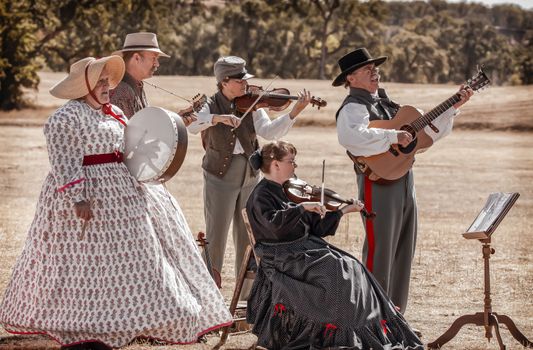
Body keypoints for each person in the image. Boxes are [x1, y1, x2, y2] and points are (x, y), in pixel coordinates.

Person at [0, 56, 232, 349]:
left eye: (107, 80)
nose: (107, 86)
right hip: (88, 199)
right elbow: (63, 162)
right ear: (83, 85)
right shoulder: (65, 118)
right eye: (99, 81)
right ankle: (81, 323)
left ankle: (139, 318)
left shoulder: (113, 114)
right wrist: (78, 197)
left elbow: (131, 147)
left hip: (123, 197)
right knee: (85, 264)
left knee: (138, 258)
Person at [244, 140, 424, 349]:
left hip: (305, 248)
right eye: (291, 162)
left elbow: (316, 228)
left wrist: (342, 211)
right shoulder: (260, 195)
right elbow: (273, 226)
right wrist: (302, 209)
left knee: (352, 266)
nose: (295, 166)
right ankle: (334, 333)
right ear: (275, 165)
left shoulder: (289, 189)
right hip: (281, 255)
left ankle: (366, 324)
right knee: (335, 272)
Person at [334, 48, 473, 313]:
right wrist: (391, 137)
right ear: (350, 78)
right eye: (367, 69)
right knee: (381, 251)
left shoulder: (387, 104)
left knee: (403, 249)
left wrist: (453, 107)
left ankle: (396, 317)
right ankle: (372, 318)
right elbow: (352, 140)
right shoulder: (353, 107)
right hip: (378, 183)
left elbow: (427, 134)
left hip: (403, 178)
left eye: (375, 68)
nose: (375, 72)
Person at [187, 56, 312, 280]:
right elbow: (194, 125)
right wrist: (218, 118)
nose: (245, 84)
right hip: (219, 175)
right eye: (239, 80)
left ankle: (246, 294)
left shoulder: (253, 103)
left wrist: (294, 113)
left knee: (249, 234)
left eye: (246, 79)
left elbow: (269, 131)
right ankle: (211, 292)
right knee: (216, 234)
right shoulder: (209, 103)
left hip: (249, 173)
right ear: (224, 82)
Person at [110, 31, 195, 125]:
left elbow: (147, 125)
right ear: (136, 58)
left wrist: (176, 120)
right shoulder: (122, 91)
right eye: (154, 58)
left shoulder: (136, 85)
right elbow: (135, 134)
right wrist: (175, 124)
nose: (157, 64)